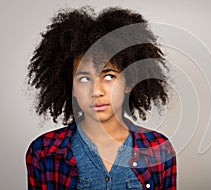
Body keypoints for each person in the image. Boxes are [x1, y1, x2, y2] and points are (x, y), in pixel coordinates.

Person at [25, 6, 177, 190]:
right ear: (71, 86)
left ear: (129, 81)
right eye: (84, 78)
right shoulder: (43, 152)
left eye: (109, 76)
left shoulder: (159, 149)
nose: (96, 91)